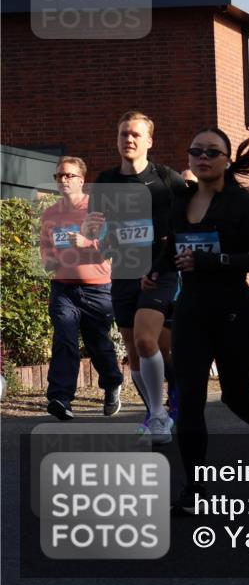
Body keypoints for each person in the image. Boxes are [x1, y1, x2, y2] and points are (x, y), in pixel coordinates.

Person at [169, 128, 249, 513]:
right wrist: (155, 269)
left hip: (234, 309)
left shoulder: (242, 203)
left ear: (227, 160)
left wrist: (211, 261)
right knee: (189, 399)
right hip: (191, 310)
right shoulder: (180, 201)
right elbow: (171, 246)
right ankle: (194, 490)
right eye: (196, 151)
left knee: (236, 396)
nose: (203, 157)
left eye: (212, 152)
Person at [83, 111, 185, 444]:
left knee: (145, 339)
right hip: (124, 273)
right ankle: (158, 411)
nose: (129, 139)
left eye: (135, 135)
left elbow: (185, 225)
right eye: (123, 133)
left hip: (161, 272)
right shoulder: (106, 181)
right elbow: (100, 234)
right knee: (139, 351)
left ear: (149, 141)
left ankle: (162, 414)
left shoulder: (167, 180)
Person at [40, 156, 123, 419]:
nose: (63, 180)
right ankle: (60, 399)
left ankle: (112, 383)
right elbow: (45, 246)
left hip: (97, 288)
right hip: (63, 288)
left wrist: (87, 243)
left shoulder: (96, 210)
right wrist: (48, 259)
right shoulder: (50, 213)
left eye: (68, 175)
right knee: (64, 338)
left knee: (98, 344)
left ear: (81, 180)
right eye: (59, 176)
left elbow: (113, 245)